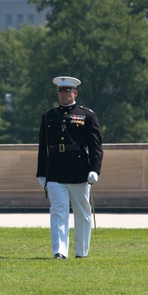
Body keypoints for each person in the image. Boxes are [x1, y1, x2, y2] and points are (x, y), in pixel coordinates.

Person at [36, 76, 103, 259]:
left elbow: (95, 146)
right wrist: (41, 172)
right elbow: (43, 147)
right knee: (58, 212)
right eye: (61, 91)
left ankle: (81, 251)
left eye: (67, 91)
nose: (64, 94)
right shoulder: (49, 116)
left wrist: (94, 169)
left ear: (75, 93)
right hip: (56, 170)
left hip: (79, 170)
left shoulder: (87, 115)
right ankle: (60, 251)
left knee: (82, 213)